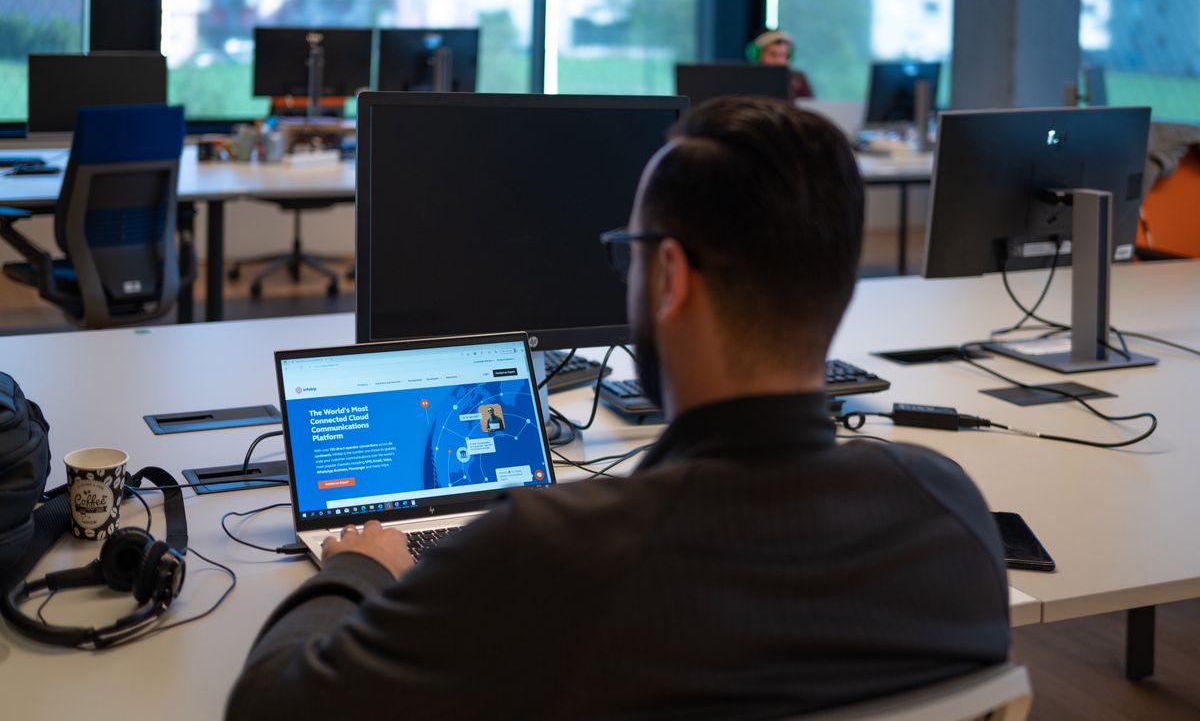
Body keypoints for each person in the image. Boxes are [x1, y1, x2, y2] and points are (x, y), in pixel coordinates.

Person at [226, 97, 1010, 720]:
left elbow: (268, 707)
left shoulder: (554, 555)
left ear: (668, 276)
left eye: (625, 253)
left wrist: (358, 567)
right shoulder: (949, 511)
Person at [748, 28, 815, 99]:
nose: (779, 61)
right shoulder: (748, 79)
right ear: (757, 54)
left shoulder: (798, 79)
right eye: (773, 54)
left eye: (784, 55)